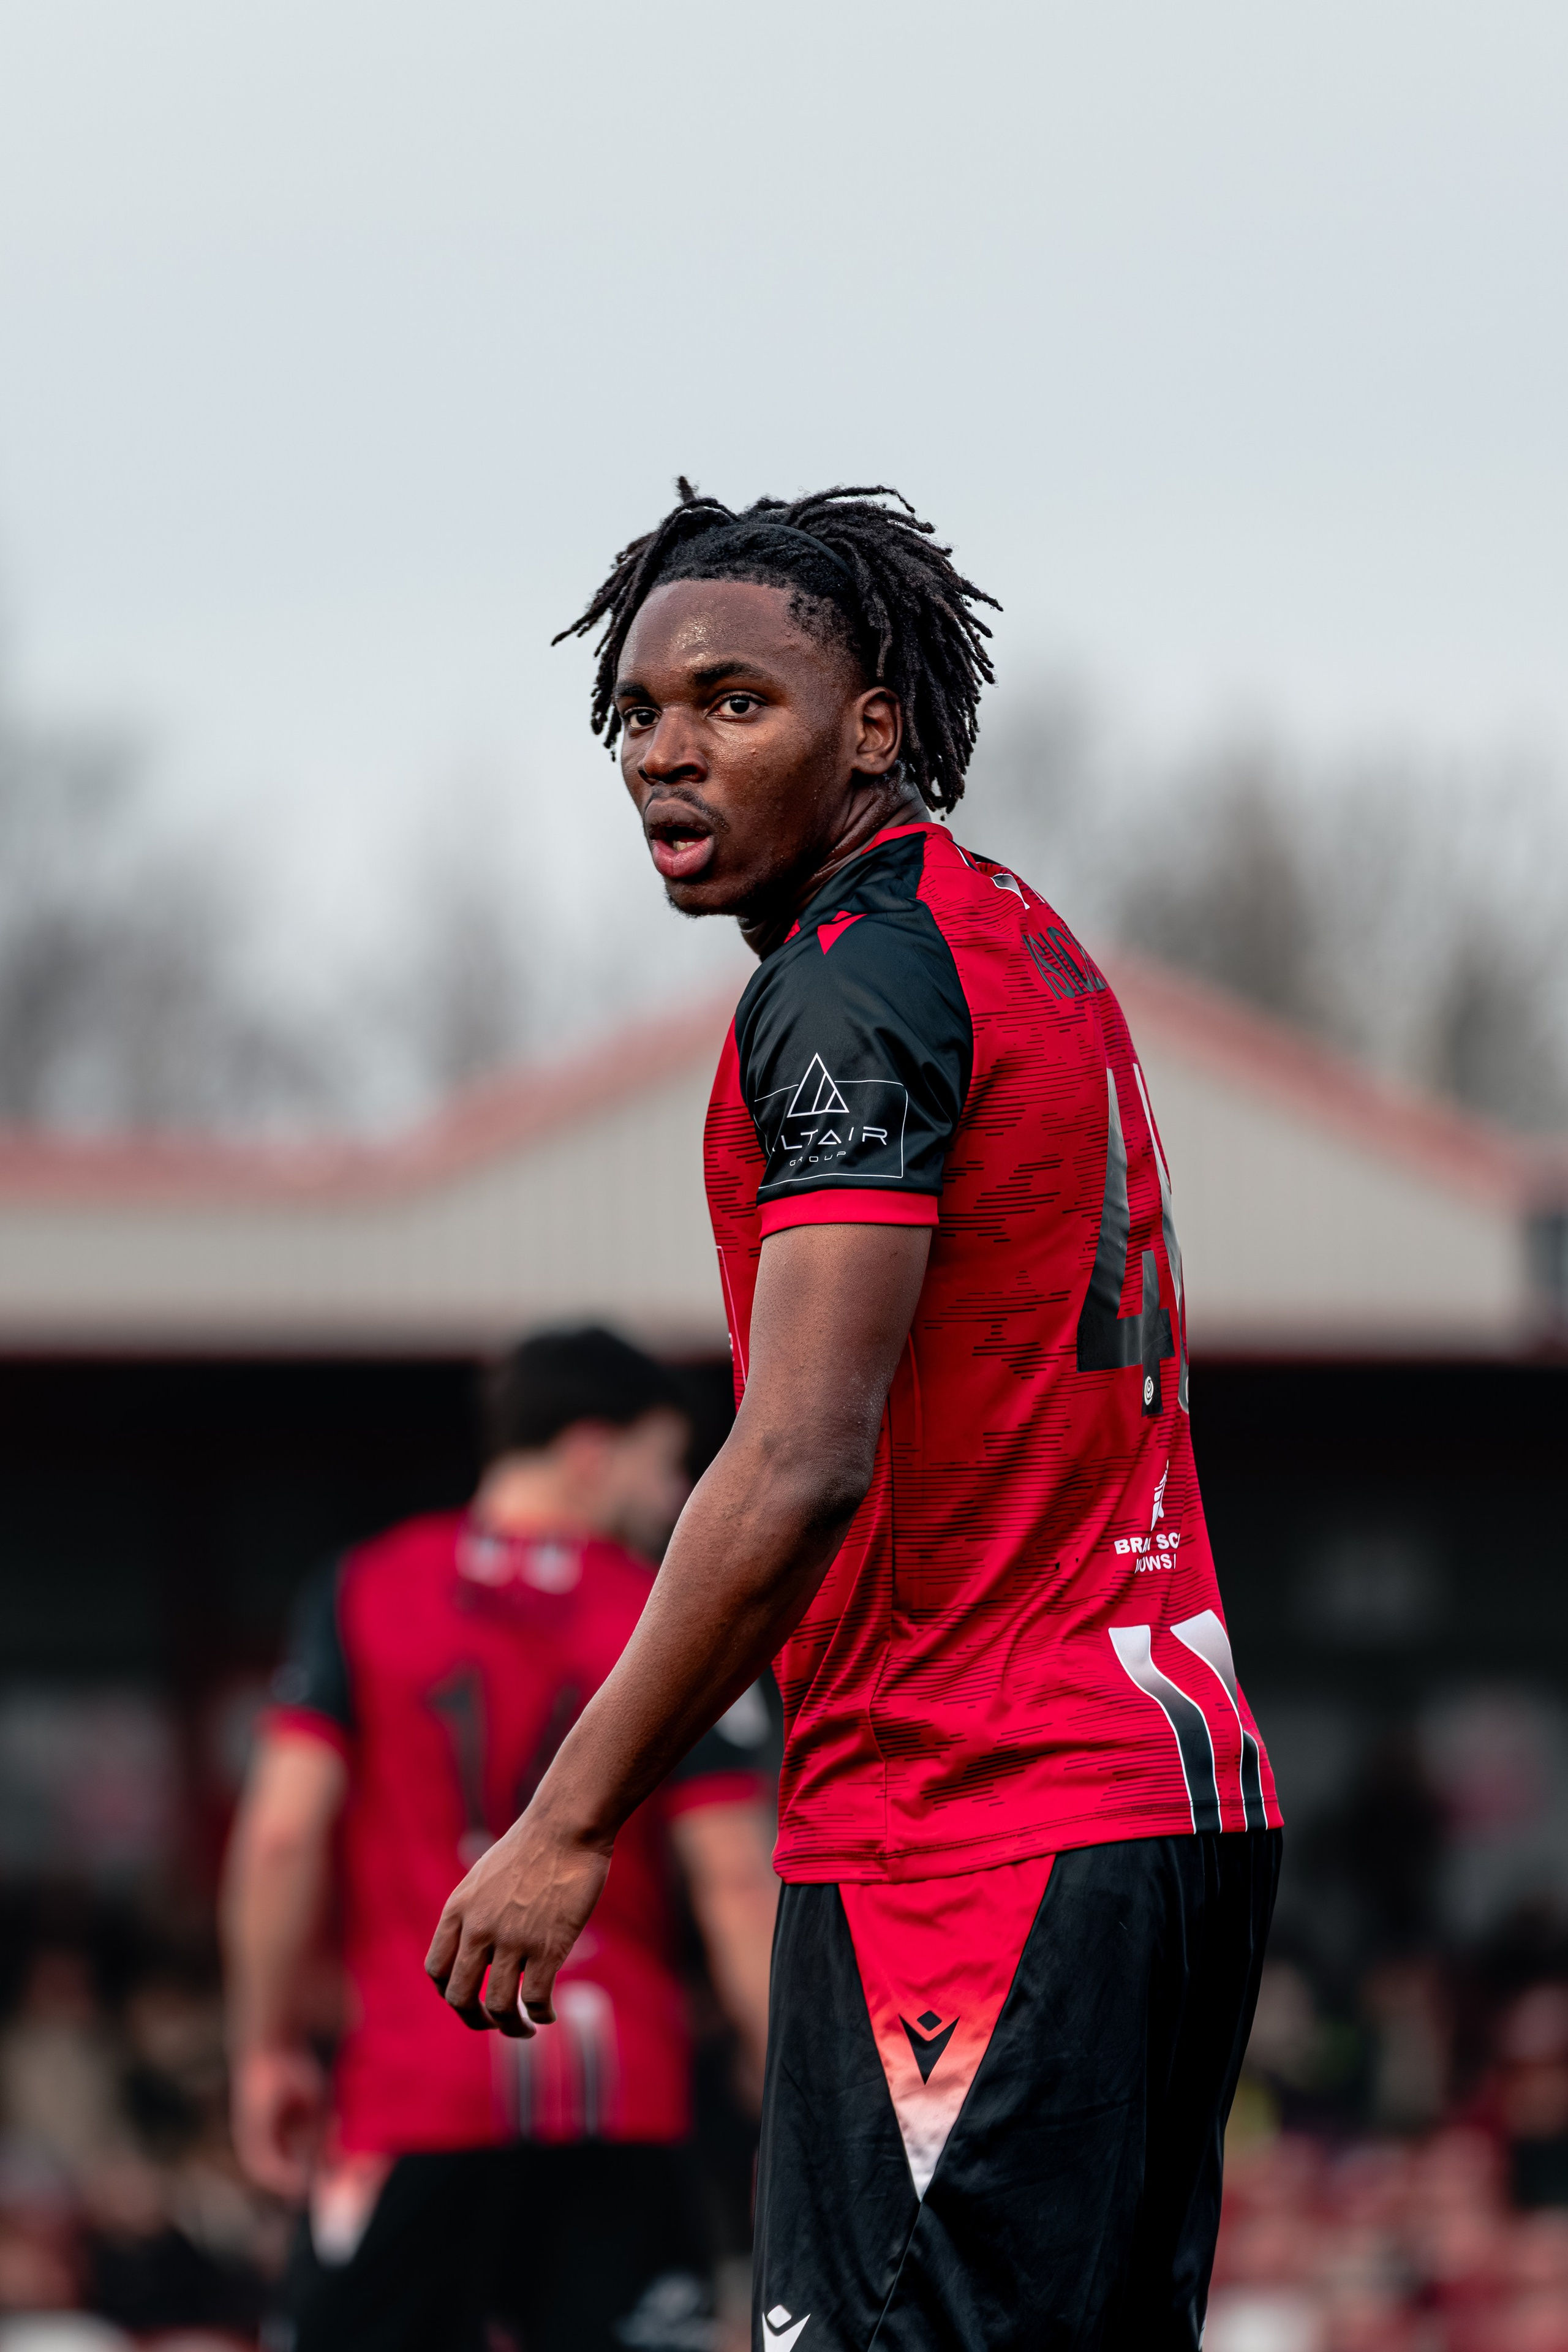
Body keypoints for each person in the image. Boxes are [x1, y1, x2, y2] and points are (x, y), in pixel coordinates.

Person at [426, 484, 1284, 2350]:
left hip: (974, 1817)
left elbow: (799, 1455)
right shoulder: (1017, 942)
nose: (668, 749)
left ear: (876, 725)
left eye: (737, 702)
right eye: (640, 712)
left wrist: (568, 1822)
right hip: (1159, 1792)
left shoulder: (845, 987)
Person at [223, 1325, 778, 2352]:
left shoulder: (362, 1591)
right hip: (621, 2102)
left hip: (412, 2090)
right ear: (589, 1452)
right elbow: (740, 1881)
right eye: (666, 1469)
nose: (673, 1505)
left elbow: (278, 1838)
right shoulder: (678, 1619)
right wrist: (790, 2085)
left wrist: (263, 2051)